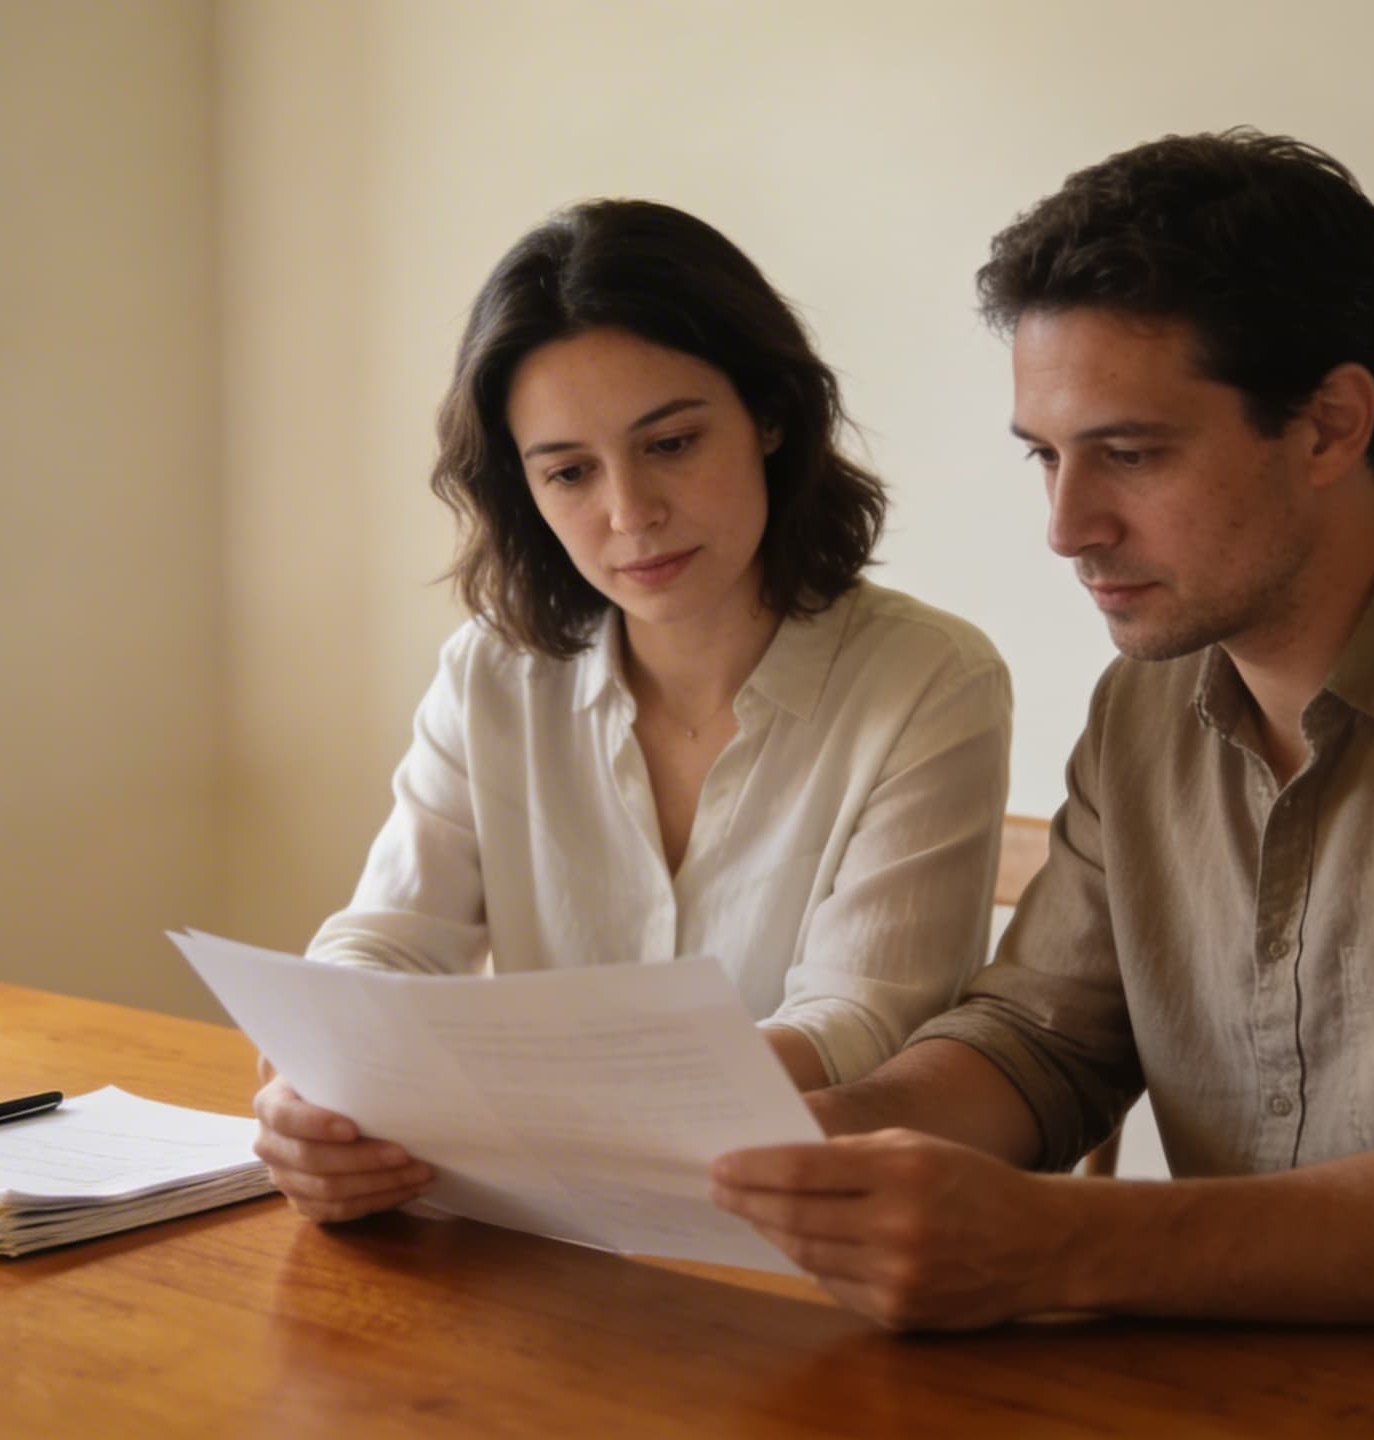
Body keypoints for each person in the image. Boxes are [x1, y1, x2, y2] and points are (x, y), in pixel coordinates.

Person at [710, 130, 1374, 1365]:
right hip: (1254, 1390)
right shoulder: (1147, 701)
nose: (1066, 527)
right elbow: (1038, 1041)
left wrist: (1059, 1241)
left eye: (1129, 453)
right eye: (1045, 457)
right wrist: (796, 1142)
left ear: (1332, 423)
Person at [255, 200, 1014, 1223]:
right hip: (538, 1247)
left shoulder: (929, 676)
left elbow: (859, 1025)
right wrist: (316, 1092)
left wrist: (533, 1100)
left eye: (671, 443)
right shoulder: (492, 674)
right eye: (568, 472)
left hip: (799, 1248)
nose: (628, 513)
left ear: (771, 416)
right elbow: (386, 943)